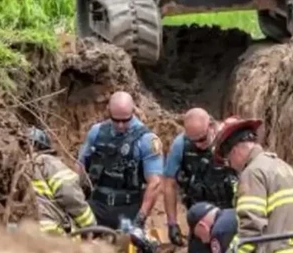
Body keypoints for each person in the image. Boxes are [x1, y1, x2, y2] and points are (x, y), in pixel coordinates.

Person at [77, 91, 163, 230]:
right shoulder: (97, 132)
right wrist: (77, 198)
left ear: (133, 111)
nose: (121, 125)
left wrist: (141, 217)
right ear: (108, 111)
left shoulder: (147, 140)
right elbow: (81, 165)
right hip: (96, 205)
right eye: (116, 120)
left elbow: (155, 183)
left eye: (126, 120)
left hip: (128, 209)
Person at [213, 116, 293, 253]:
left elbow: (250, 230)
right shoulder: (284, 167)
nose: (231, 166)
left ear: (235, 151)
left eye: (228, 161)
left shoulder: (252, 173)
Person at [163, 108, 238, 251]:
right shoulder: (180, 145)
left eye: (202, 139)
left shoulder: (230, 140)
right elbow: (169, 184)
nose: (199, 145)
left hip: (230, 215)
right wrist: (172, 223)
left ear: (211, 125)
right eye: (194, 141)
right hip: (201, 218)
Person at [28, 127, 97, 236]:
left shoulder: (11, 166)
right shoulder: (45, 161)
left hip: (22, 234)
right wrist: (90, 226)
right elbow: (69, 194)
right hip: (52, 233)